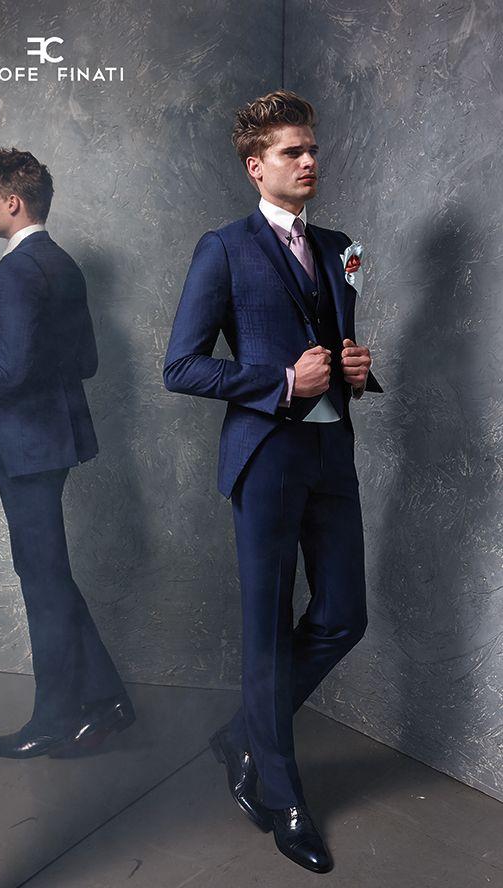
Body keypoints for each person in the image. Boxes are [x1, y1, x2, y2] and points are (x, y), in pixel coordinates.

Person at [163, 91, 383, 873]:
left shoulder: (340, 247)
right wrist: (281, 381)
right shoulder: (223, 249)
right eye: (293, 151)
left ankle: (243, 737)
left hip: (331, 455)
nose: (309, 160)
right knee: (265, 626)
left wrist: (355, 369)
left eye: (312, 148)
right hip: (264, 458)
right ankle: (282, 796)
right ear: (256, 166)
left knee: (342, 615)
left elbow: (335, 340)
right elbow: (181, 367)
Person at [0, 148, 135, 758]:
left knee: (41, 579)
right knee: (47, 573)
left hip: (27, 442)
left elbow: (8, 372)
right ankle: (106, 700)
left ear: (13, 201)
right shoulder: (62, 263)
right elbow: (85, 361)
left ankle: (55, 718)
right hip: (55, 440)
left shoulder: (17, 270)